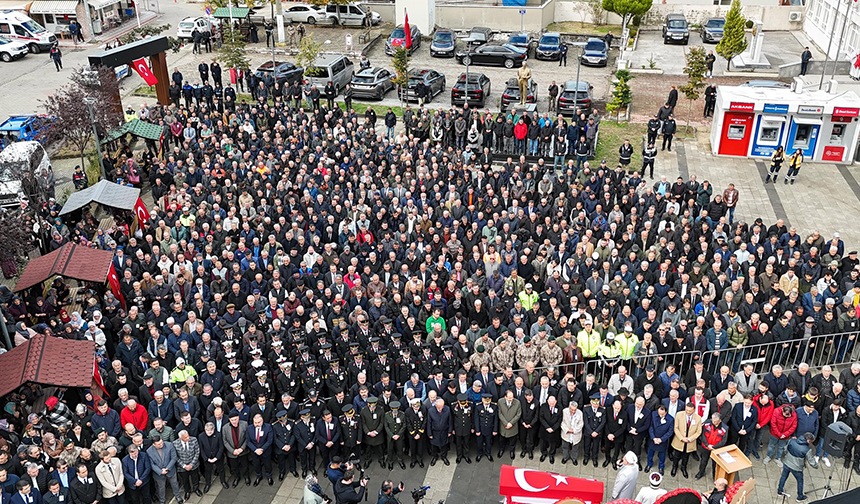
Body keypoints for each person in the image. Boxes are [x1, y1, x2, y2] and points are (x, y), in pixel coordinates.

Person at [777, 433, 818, 501]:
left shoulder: (791, 441)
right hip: (797, 467)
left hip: (787, 463)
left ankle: (779, 491)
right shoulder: (807, 449)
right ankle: (800, 497)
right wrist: (816, 466)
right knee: (800, 481)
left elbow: (785, 449)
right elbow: (812, 462)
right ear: (808, 441)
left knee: (783, 477)